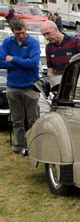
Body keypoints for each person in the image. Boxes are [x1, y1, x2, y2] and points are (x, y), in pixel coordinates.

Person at [0, 19, 40, 154]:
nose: (21, 36)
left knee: (33, 119)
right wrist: (23, 62)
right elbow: (1, 62)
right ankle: (19, 146)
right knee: (17, 120)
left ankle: (35, 146)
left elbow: (33, 64)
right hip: (13, 86)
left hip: (30, 86)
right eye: (18, 34)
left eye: (23, 32)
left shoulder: (33, 43)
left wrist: (13, 59)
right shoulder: (7, 42)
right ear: (13, 32)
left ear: (25, 29)